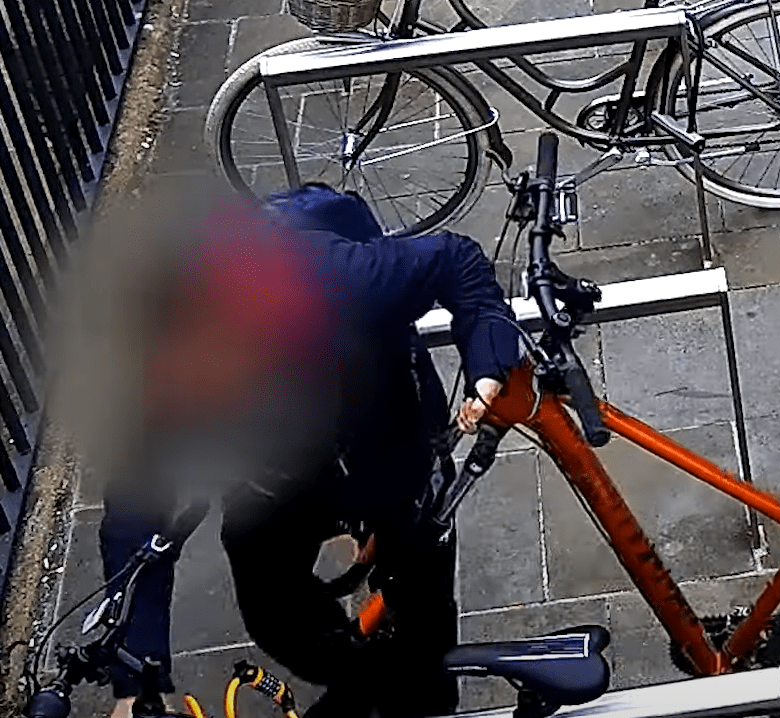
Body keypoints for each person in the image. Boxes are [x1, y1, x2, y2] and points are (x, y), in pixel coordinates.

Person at [96, 183, 521, 718]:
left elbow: (456, 261)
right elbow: (136, 506)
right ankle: (361, 679)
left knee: (422, 616)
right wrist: (139, 679)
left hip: (389, 443)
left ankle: (424, 695)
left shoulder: (335, 279)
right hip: (274, 483)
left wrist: (486, 366)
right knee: (272, 607)